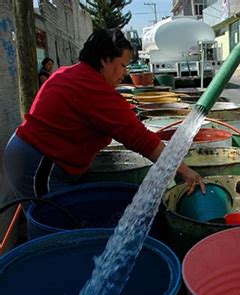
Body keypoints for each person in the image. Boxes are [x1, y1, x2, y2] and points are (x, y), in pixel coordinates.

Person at [3, 28, 204, 200]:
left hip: (28, 155)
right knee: (53, 227)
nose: (124, 73)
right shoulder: (93, 89)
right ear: (105, 59)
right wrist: (185, 170)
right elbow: (141, 139)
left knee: (55, 220)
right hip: (38, 164)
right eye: (123, 65)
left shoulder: (72, 73)